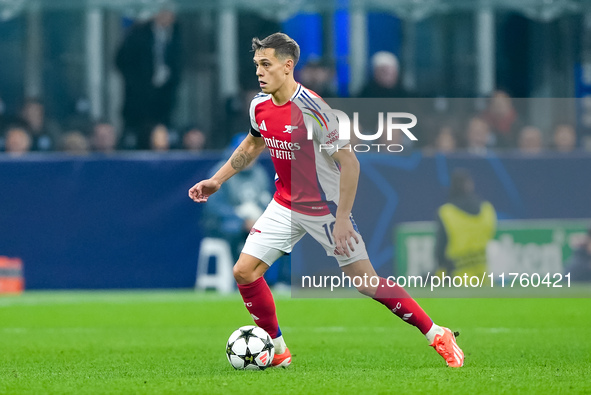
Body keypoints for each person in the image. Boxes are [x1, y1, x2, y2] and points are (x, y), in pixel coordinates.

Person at [189, 33, 464, 368]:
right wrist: (216, 181)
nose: (259, 72)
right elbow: (252, 145)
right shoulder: (258, 106)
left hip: (325, 209)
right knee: (244, 272)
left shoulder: (315, 110)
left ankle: (437, 333)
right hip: (285, 204)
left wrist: (344, 218)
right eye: (256, 65)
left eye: (266, 64)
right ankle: (277, 350)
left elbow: (350, 162)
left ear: (288, 66)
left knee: (366, 283)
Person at [115, 5, 182, 150]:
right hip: (140, 97)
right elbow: (122, 60)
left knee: (163, 133)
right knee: (137, 134)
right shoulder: (139, 33)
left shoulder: (176, 34)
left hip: (164, 96)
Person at [435, 169, 497, 278]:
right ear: (470, 185)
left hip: (456, 277)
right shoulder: (487, 209)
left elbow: (439, 251)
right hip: (482, 277)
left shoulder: (446, 212)